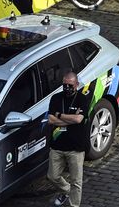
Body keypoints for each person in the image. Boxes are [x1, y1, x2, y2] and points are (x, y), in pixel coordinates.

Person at [47, 70, 90, 207]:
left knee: (76, 181)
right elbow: (50, 119)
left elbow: (78, 119)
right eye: (65, 84)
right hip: (57, 146)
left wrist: (59, 115)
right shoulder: (56, 98)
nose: (67, 87)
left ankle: (74, 205)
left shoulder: (82, 99)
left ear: (76, 84)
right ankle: (66, 190)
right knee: (52, 176)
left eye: (70, 85)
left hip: (76, 148)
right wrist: (68, 119)